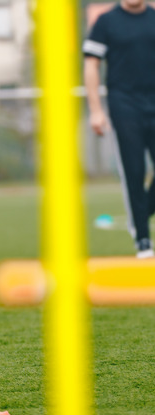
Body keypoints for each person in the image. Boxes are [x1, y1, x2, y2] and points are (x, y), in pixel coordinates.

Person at [84, 0, 155, 258]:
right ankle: (143, 241)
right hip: (125, 105)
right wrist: (96, 110)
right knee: (134, 171)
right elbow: (92, 65)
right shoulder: (106, 22)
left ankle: (142, 212)